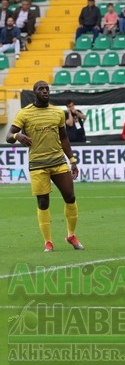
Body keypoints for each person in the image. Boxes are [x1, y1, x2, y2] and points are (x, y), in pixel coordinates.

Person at [6, 81, 84, 252]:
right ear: (34, 93)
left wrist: (72, 160)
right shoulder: (24, 113)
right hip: (38, 164)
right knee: (43, 202)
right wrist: (18, 135)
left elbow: (64, 138)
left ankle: (71, 235)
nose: (45, 91)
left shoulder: (57, 112)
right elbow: (8, 136)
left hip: (58, 161)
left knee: (70, 197)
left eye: (47, 89)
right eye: (41, 89)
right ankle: (48, 241)